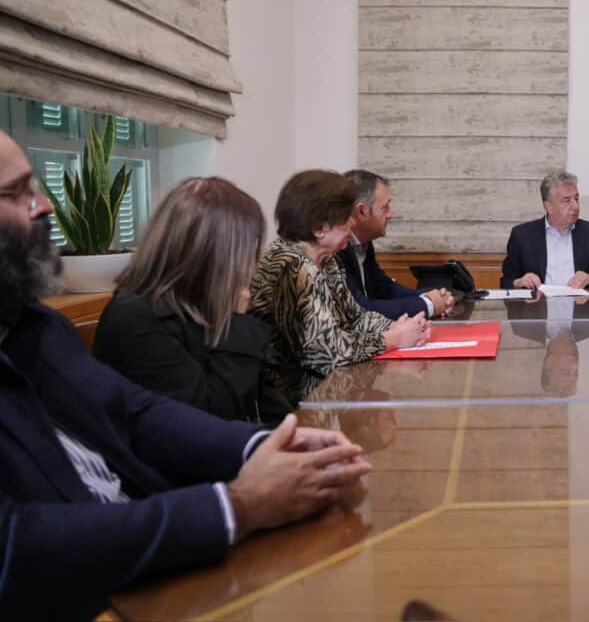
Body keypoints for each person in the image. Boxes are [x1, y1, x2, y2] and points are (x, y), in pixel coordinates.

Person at [0, 130, 372, 620]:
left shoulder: (35, 327)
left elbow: (135, 414)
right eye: (17, 192)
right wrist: (237, 506)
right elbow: (17, 545)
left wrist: (270, 445)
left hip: (145, 555)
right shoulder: (134, 317)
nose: (45, 205)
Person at [93, 177, 291, 424]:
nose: (251, 262)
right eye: (246, 250)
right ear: (211, 255)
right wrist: (234, 321)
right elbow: (212, 417)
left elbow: (262, 399)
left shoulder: (200, 302)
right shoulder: (133, 320)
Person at [249, 170, 429, 405]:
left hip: (332, 391)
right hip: (293, 405)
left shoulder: (327, 259)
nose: (353, 223)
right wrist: (391, 339)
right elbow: (327, 352)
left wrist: (402, 326)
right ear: (319, 228)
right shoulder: (290, 266)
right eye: (346, 218)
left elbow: (355, 317)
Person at [336, 169, 453, 319]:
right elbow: (360, 308)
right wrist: (428, 305)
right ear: (362, 212)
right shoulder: (336, 249)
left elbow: (384, 288)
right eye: (385, 208)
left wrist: (432, 296)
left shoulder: (364, 242)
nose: (391, 214)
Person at [501, 169, 589, 290]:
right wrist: (519, 282)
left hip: (580, 302)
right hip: (537, 301)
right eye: (567, 200)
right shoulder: (522, 235)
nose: (575, 206)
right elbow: (506, 281)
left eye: (576, 198)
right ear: (549, 207)